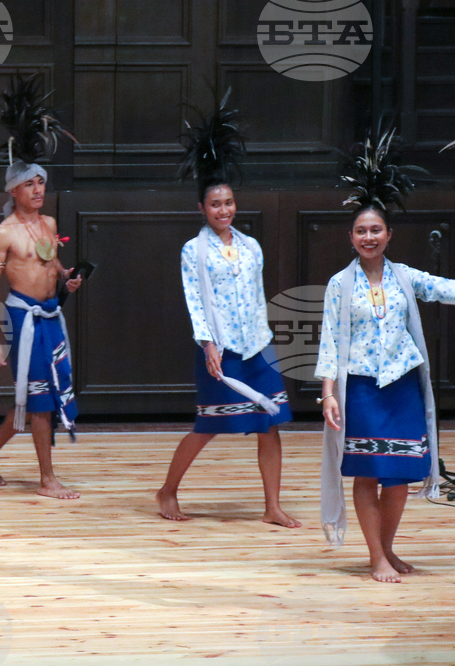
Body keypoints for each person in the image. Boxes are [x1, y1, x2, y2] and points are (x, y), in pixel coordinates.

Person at [155, 95, 298, 527]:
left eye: (229, 203)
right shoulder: (193, 249)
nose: (224, 210)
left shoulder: (251, 245)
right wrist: (208, 344)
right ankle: (167, 490)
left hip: (258, 344)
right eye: (215, 204)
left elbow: (256, 296)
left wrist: (267, 341)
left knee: (270, 424)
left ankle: (272, 505)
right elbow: (195, 299)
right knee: (208, 426)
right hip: (220, 347)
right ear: (202, 208)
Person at [317, 132, 453, 583]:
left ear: (389, 235)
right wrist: (329, 394)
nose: (368, 236)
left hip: (402, 388)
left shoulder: (406, 277)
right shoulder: (340, 283)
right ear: (351, 236)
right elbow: (330, 340)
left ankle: (388, 548)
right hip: (360, 389)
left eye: (376, 230)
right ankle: (375, 555)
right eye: (361, 230)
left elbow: (444, 288)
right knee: (368, 473)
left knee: (401, 475)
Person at [0, 74, 83, 500]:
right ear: (13, 190)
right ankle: (47, 478)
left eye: (41, 182)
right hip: (24, 318)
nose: (38, 189)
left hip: (51, 315)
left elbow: (50, 262)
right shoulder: (2, 233)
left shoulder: (50, 224)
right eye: (29, 184)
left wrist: (66, 276)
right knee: (36, 398)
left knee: (42, 393)